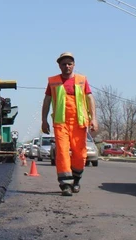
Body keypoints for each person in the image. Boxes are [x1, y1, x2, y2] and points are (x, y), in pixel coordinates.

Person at [41, 52, 98, 196]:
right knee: (62, 152)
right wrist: (44, 120)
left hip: (79, 122)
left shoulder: (82, 80)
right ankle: (65, 184)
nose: (67, 66)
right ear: (59, 66)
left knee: (80, 153)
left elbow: (90, 99)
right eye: (63, 64)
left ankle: (76, 180)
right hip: (61, 123)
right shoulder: (53, 81)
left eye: (69, 63)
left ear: (74, 65)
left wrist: (94, 118)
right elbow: (47, 101)